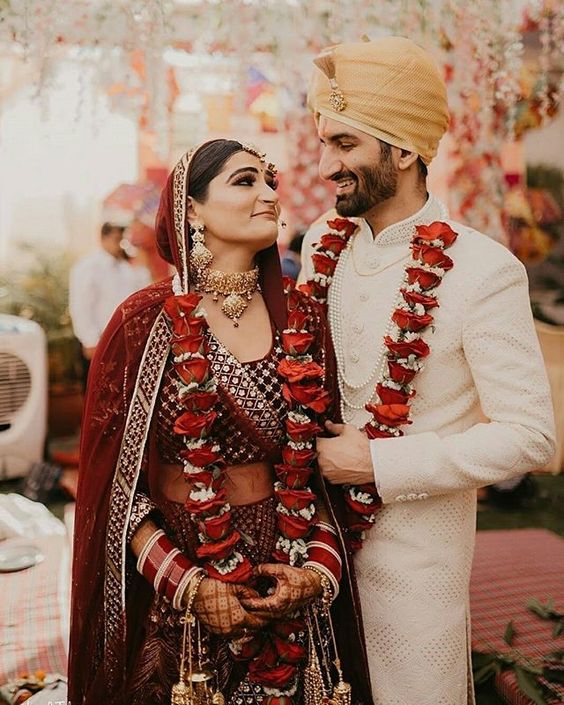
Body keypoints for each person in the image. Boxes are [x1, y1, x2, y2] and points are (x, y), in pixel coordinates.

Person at [68, 139, 372, 705]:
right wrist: (190, 585)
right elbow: (116, 490)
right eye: (244, 181)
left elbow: (322, 468)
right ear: (190, 207)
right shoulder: (143, 323)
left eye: (269, 183)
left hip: (287, 564)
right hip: (182, 572)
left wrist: (314, 575)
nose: (268, 196)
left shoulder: (302, 320)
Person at [299, 37, 556, 705]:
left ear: (404, 149)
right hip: (312, 557)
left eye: (346, 145)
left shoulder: (483, 270)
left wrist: (381, 465)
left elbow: (532, 437)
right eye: (324, 143)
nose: (327, 165)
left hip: (416, 575)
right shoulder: (318, 243)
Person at [69, 222, 151, 383]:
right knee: (96, 391)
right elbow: (81, 306)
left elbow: (141, 293)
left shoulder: (125, 268)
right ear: (103, 238)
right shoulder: (88, 267)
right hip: (97, 341)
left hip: (122, 341)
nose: (120, 244)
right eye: (116, 239)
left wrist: (142, 266)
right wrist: (90, 340)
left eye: (122, 238)